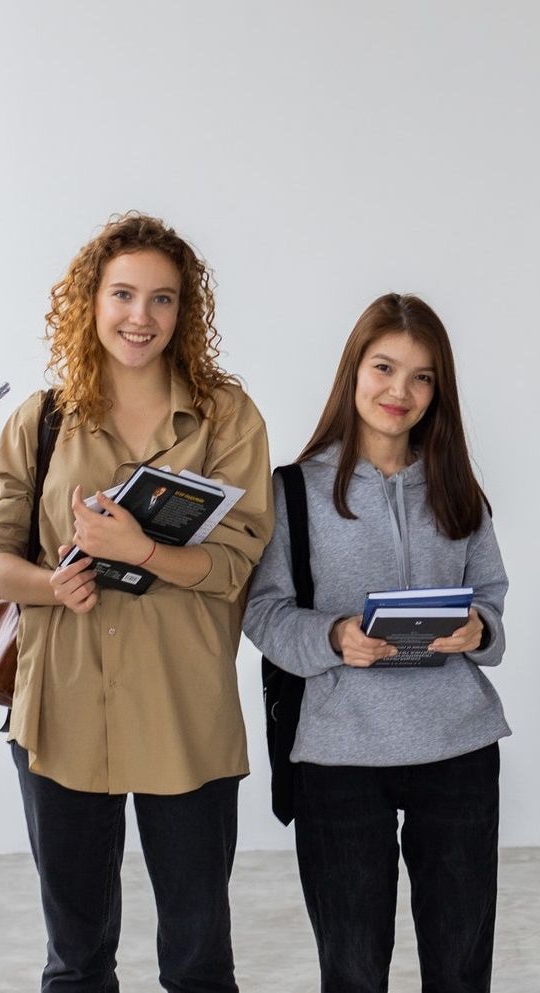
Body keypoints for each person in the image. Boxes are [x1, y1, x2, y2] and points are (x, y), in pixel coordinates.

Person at [0, 213, 273, 992]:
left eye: (163, 299)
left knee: (200, 957)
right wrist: (51, 584)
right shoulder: (39, 419)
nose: (141, 317)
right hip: (63, 706)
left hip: (184, 705)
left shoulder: (227, 417)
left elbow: (240, 558)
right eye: (123, 294)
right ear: (91, 301)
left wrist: (140, 551)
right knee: (75, 960)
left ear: (185, 312)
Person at [242, 293, 510, 993]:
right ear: (353, 370)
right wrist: (331, 635)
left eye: (422, 376)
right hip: (338, 757)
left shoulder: (459, 490)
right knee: (354, 971)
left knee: (459, 970)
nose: (400, 391)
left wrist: (480, 628)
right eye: (385, 367)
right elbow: (263, 614)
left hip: (458, 748)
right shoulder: (292, 491)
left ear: (438, 389)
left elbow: (491, 599)